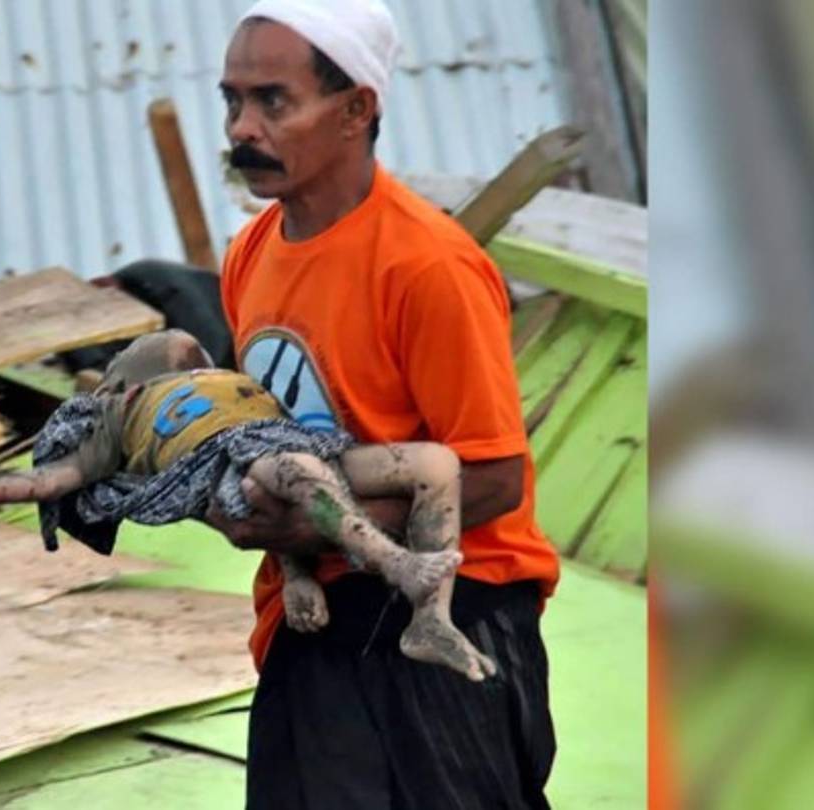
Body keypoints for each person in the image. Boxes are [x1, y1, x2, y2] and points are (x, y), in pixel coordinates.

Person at [209, 1, 561, 807]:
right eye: (232, 100)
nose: (244, 128)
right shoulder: (251, 255)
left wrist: (333, 525)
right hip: (319, 615)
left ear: (357, 109)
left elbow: (497, 477)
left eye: (273, 101)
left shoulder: (427, 267)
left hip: (447, 608)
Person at [0, 329, 497, 679]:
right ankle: (400, 567)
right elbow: (40, 484)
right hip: (233, 468)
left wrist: (297, 575)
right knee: (291, 473)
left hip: (298, 447)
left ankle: (430, 621)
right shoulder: (112, 423)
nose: (182, 351)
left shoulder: (222, 377)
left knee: (435, 464)